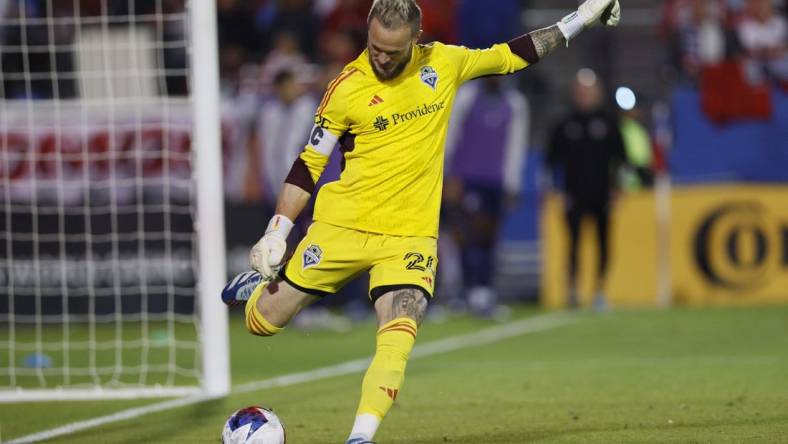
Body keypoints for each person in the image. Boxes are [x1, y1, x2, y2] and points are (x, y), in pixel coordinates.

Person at [222, 1, 621, 442]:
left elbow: (515, 54)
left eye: (391, 52)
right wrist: (277, 230)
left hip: (408, 237)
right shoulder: (347, 86)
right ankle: (257, 290)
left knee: (399, 333)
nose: (380, 58)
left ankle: (361, 436)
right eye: (374, 47)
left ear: (416, 39)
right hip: (342, 228)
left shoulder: (443, 63)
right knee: (263, 322)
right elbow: (308, 165)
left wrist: (581, 18)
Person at [443, 76, 530, 317]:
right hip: (467, 178)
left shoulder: (515, 102)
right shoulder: (467, 96)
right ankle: (466, 292)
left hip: (495, 181)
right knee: (466, 236)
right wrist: (448, 174)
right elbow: (450, 134)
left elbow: (516, 144)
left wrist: (512, 184)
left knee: (489, 239)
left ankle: (484, 291)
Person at [546, 68, 627, 311]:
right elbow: (551, 161)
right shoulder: (565, 124)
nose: (584, 96)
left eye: (588, 91)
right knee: (574, 242)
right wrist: (557, 190)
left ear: (597, 93)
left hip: (602, 193)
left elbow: (621, 160)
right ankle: (573, 289)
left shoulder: (609, 123)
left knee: (603, 242)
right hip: (573, 193)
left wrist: (618, 188)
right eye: (581, 91)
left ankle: (600, 290)